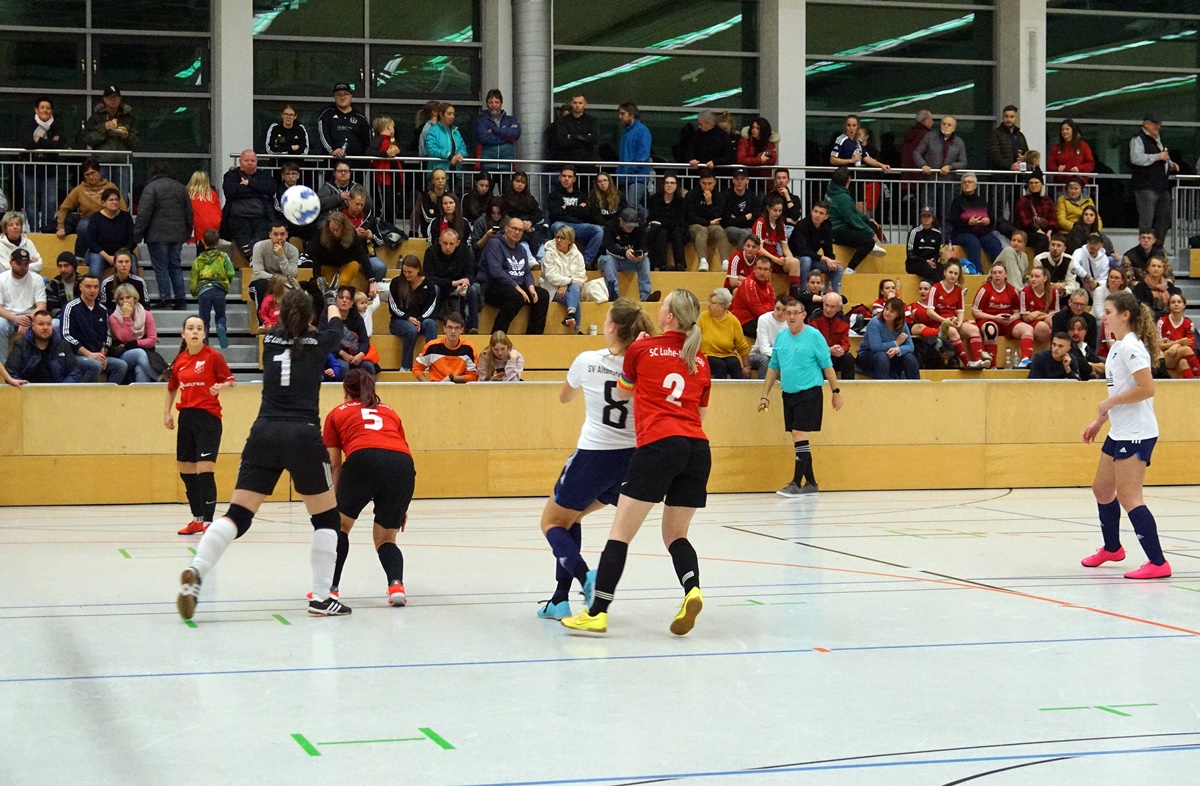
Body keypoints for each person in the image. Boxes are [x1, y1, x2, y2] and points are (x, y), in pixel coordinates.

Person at [177, 281, 354, 619]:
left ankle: (198, 569)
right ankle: (320, 596)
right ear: (309, 317)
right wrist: (329, 297)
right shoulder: (317, 343)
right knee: (327, 519)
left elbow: (300, 326)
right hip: (302, 436)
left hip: (264, 433)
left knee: (238, 516)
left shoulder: (270, 340)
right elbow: (337, 326)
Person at [560, 290, 712, 635]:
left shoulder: (642, 349)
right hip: (698, 450)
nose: (658, 310)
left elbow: (624, 390)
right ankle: (692, 590)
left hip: (659, 446)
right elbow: (700, 412)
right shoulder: (700, 359)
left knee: (620, 534)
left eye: (663, 305)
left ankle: (597, 611)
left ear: (670, 317)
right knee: (676, 534)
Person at [536, 300, 655, 619]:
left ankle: (585, 576)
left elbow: (564, 397)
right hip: (632, 461)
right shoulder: (644, 364)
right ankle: (559, 600)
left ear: (613, 327)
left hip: (594, 454)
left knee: (551, 522)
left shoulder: (587, 360)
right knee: (571, 517)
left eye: (605, 319)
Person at [1079, 291, 1169, 579]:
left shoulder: (1132, 348)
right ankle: (1112, 548)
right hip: (1120, 431)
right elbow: (1118, 391)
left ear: (1124, 315)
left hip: (1137, 433)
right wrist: (1100, 420)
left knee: (1130, 496)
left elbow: (1147, 388)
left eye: (1108, 312)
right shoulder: (1117, 347)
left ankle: (1158, 563)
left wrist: (1110, 404)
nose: (1103, 317)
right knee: (1102, 490)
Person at [321, 368, 416, 606]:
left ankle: (330, 590)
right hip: (402, 467)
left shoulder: (336, 414)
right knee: (386, 538)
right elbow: (399, 452)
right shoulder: (390, 412)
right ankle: (396, 586)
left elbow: (334, 464)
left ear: (345, 391)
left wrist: (334, 499)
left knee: (340, 527)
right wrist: (401, 504)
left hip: (363, 459)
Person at [759, 298, 844, 497]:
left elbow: (827, 366)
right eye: (788, 313)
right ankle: (812, 482)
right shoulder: (781, 337)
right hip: (788, 393)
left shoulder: (815, 336)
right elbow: (773, 368)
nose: (791, 317)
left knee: (799, 434)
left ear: (804, 314)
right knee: (798, 439)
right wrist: (765, 395)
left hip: (810, 392)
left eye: (795, 313)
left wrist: (836, 392)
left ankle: (796, 482)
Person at [166, 315, 235, 535]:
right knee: (186, 469)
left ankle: (208, 521)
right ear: (183, 334)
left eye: (199, 328)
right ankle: (196, 518)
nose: (195, 332)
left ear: (205, 333)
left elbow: (231, 382)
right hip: (186, 417)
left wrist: (219, 388)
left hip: (208, 417)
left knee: (205, 468)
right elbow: (171, 388)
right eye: (190, 328)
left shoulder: (213, 356)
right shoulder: (180, 360)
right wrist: (166, 413)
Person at [134, 161, 193, 310]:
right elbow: (189, 213)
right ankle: (180, 300)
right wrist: (187, 232)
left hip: (157, 235)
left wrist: (137, 235)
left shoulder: (151, 188)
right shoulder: (181, 187)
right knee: (175, 266)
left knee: (161, 267)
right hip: (177, 234)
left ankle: (165, 298)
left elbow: (143, 214)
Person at [479, 218, 549, 335]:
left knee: (542, 295)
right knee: (517, 297)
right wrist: (517, 287)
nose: (517, 232)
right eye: (514, 229)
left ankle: (533, 336)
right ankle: (498, 335)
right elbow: (496, 271)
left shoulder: (521, 249)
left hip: (516, 287)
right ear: (506, 229)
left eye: (520, 230)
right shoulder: (494, 244)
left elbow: (526, 271)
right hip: (493, 287)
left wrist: (531, 286)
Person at [62, 273, 128, 383]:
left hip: (97, 355)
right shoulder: (71, 307)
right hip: (76, 356)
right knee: (95, 365)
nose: (92, 290)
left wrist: (103, 352)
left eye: (96, 287)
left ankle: (106, 397)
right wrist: (88, 354)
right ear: (81, 287)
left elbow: (108, 336)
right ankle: (88, 398)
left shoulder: (103, 309)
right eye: (88, 286)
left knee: (121, 366)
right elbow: (66, 336)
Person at [56, 158, 126, 258]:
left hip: (108, 220)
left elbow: (122, 207)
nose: (91, 177)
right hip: (87, 220)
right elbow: (63, 208)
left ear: (99, 172)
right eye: (87, 175)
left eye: (93, 173)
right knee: (83, 226)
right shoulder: (79, 189)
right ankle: (79, 257)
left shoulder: (110, 186)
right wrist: (60, 227)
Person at [1128, 113, 1178, 248]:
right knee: (1147, 220)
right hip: (1145, 185)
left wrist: (1170, 163)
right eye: (1155, 124)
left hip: (1161, 186)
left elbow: (1163, 156)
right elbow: (1136, 158)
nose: (1158, 127)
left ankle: (1158, 247)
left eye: (1159, 124)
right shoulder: (1138, 139)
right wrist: (1157, 157)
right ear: (1146, 124)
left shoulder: (1158, 139)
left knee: (1165, 217)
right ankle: (1146, 248)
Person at [18, 96, 66, 232]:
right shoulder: (28, 123)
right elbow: (26, 143)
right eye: (42, 107)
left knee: (50, 202)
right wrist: (51, 142)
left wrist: (38, 140)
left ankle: (46, 229)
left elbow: (60, 144)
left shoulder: (57, 124)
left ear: (52, 111)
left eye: (48, 108)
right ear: (36, 110)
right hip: (29, 170)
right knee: (31, 202)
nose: (45, 110)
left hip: (50, 170)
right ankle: (34, 230)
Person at [926, 260, 986, 368]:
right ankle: (967, 362)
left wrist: (959, 322)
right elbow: (930, 312)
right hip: (939, 323)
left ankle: (978, 361)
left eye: (956, 273)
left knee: (974, 329)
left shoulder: (958, 291)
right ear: (944, 272)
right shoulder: (935, 288)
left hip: (953, 321)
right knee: (952, 331)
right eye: (950, 272)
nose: (953, 276)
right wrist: (944, 321)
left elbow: (960, 311)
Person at [971, 263, 1032, 368]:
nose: (997, 275)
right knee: (990, 329)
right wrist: (994, 318)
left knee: (1028, 329)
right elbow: (975, 312)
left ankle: (1026, 360)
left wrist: (1013, 318)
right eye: (994, 273)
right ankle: (992, 365)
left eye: (1000, 273)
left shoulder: (1012, 290)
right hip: (989, 319)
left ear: (1006, 274)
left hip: (1007, 322)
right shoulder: (985, 289)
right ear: (991, 275)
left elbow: (1018, 312)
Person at [305, 210, 377, 299]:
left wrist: (372, 280)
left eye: (337, 229)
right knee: (328, 289)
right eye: (332, 229)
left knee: (342, 283)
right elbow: (316, 255)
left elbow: (362, 255)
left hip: (348, 263)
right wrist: (318, 277)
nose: (335, 232)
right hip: (327, 264)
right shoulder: (321, 234)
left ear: (344, 227)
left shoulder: (351, 233)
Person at [825, 167, 885, 272]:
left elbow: (853, 211)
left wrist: (867, 219)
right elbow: (852, 219)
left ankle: (870, 246)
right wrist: (871, 234)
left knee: (871, 225)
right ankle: (850, 268)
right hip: (838, 231)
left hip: (835, 227)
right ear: (848, 180)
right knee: (868, 241)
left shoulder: (831, 190)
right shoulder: (843, 198)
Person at [388, 255, 440, 373]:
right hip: (399, 321)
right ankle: (406, 367)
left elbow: (432, 307)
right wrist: (407, 318)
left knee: (431, 324)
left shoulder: (429, 284)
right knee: (410, 330)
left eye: (410, 272)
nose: (406, 275)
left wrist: (420, 320)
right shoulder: (396, 282)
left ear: (418, 269)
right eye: (404, 271)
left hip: (420, 320)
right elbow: (393, 307)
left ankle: (430, 363)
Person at [424, 228, 480, 333]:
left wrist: (466, 281)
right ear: (440, 241)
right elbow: (429, 278)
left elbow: (471, 273)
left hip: (459, 285)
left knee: (472, 289)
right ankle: (431, 323)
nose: (448, 247)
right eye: (445, 243)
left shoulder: (465, 251)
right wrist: (452, 283)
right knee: (433, 288)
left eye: (451, 244)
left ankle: (473, 327)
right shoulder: (431, 252)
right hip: (440, 286)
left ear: (457, 243)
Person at [222, 150, 275, 258]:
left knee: (263, 233)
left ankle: (253, 257)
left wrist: (249, 184)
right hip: (237, 216)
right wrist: (258, 191)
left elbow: (271, 189)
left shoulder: (264, 175)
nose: (250, 163)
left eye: (253, 160)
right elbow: (231, 191)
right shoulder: (231, 176)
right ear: (240, 162)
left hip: (261, 216)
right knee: (241, 233)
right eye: (246, 160)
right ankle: (253, 257)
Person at [83, 85, 136, 193]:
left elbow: (138, 141)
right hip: (102, 164)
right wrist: (104, 129)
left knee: (122, 196)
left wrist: (126, 136)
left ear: (120, 99)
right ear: (104, 99)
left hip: (122, 163)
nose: (113, 100)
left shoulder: (129, 118)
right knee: (101, 196)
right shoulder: (96, 117)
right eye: (110, 97)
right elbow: (88, 139)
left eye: (116, 97)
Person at [546, 166, 603, 265]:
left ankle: (586, 261)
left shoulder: (582, 195)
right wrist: (578, 210)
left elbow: (587, 214)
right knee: (556, 226)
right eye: (564, 176)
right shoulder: (554, 196)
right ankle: (561, 261)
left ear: (574, 179)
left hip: (579, 226)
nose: (566, 179)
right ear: (560, 178)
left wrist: (566, 208)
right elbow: (555, 214)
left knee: (598, 230)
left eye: (569, 176)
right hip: (562, 225)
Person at [946, 172, 1002, 275]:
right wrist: (968, 222)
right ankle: (977, 272)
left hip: (982, 232)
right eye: (965, 182)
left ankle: (998, 271)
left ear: (975, 185)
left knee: (994, 243)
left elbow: (993, 219)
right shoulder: (957, 202)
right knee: (973, 242)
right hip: (961, 233)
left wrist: (988, 221)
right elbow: (953, 221)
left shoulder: (982, 201)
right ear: (962, 185)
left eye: (970, 182)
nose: (967, 184)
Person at [598, 208, 658, 303]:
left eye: (632, 225)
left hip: (630, 261)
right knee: (609, 260)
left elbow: (644, 246)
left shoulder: (640, 228)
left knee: (645, 261)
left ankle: (646, 296)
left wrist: (641, 254)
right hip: (608, 259)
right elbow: (608, 248)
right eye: (627, 225)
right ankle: (614, 293)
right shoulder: (610, 226)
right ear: (621, 220)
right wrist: (624, 253)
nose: (630, 227)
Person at [5, 309, 78, 384]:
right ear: (33, 326)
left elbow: (75, 372)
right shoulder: (21, 345)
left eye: (49, 324)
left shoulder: (63, 344)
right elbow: (11, 373)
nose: (45, 328)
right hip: (28, 391)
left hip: (57, 391)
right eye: (41, 324)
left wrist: (61, 389)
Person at [0, 248, 46, 366]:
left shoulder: (37, 279)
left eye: (26, 264)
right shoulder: (2, 278)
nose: (23, 267)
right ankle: (4, 366)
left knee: (53, 324)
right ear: (11, 263)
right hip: (8, 318)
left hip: (31, 317)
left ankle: (43, 365)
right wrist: (16, 319)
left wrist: (27, 320)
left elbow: (41, 306)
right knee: (0, 324)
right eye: (19, 263)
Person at [190, 230, 235, 349]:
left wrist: (195, 293)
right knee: (220, 314)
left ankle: (204, 343)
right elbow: (230, 272)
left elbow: (194, 278)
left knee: (204, 319)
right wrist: (226, 285)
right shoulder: (223, 257)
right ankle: (220, 326)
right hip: (219, 290)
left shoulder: (199, 260)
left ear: (203, 242)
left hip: (204, 291)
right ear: (218, 242)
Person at [857, 297, 918, 380]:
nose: (887, 313)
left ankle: (915, 387)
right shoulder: (875, 322)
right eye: (886, 309)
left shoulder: (902, 325)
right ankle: (882, 389)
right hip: (867, 356)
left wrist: (897, 349)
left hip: (890, 357)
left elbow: (910, 346)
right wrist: (896, 343)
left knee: (909, 357)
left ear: (898, 314)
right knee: (882, 356)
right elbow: (876, 347)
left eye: (892, 311)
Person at [107, 284, 159, 383]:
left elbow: (152, 340)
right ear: (118, 301)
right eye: (121, 299)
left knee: (140, 369)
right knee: (139, 353)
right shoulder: (113, 318)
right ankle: (164, 381)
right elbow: (126, 338)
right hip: (122, 354)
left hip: (145, 353)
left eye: (128, 297)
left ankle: (142, 396)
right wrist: (126, 316)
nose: (125, 301)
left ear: (135, 298)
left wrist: (136, 343)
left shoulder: (146, 314)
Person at [790, 201, 842, 294]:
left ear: (826, 217)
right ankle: (803, 293)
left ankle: (834, 297)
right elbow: (802, 250)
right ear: (811, 212)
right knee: (806, 260)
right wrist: (824, 258)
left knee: (838, 268)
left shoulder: (827, 228)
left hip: (813, 259)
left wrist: (832, 262)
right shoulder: (802, 225)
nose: (817, 215)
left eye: (821, 213)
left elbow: (828, 250)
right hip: (796, 258)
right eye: (815, 211)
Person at [541, 225, 587, 331]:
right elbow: (551, 276)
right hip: (552, 289)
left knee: (575, 288)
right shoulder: (549, 254)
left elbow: (581, 275)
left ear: (570, 241)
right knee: (575, 294)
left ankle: (570, 314)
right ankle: (578, 329)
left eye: (562, 238)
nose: (558, 240)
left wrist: (567, 285)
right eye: (557, 237)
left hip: (570, 289)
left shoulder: (578, 255)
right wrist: (568, 282)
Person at [749, 194, 800, 289]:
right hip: (762, 257)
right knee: (766, 264)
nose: (777, 213)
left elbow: (785, 248)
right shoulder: (761, 223)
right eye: (775, 210)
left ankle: (793, 296)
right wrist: (775, 259)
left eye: (780, 211)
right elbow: (759, 249)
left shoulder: (781, 225)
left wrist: (789, 259)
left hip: (775, 256)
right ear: (768, 209)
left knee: (795, 262)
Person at [698, 287, 750, 379]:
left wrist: (746, 366)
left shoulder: (733, 321)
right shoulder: (702, 317)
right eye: (709, 301)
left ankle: (739, 392)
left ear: (722, 306)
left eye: (713, 303)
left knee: (734, 363)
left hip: (728, 354)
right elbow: (694, 338)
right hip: (707, 355)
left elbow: (741, 345)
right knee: (720, 365)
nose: (709, 305)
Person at [323, 285, 374, 377]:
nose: (344, 300)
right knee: (343, 367)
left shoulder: (357, 318)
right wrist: (342, 353)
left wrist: (361, 354)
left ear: (352, 303)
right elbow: (324, 339)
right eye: (341, 297)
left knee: (368, 366)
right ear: (335, 300)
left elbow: (364, 340)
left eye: (348, 298)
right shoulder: (326, 316)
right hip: (334, 355)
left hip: (354, 354)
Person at [249, 221, 300, 312]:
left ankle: (291, 322)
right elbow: (258, 272)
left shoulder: (293, 250)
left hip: (284, 284)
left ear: (287, 235)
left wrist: (282, 256)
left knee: (298, 286)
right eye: (275, 234)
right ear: (270, 235)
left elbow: (292, 274)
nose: (279, 238)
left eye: (282, 234)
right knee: (261, 284)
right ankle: (263, 322)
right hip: (264, 283)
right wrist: (280, 279)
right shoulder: (259, 247)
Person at [83, 187, 135, 275]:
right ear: (103, 203)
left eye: (116, 200)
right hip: (100, 254)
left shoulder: (126, 217)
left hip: (122, 253)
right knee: (96, 261)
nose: (114, 202)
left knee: (131, 260)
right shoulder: (96, 218)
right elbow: (91, 242)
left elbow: (132, 240)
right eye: (111, 200)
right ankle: (94, 287)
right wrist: (108, 257)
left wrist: (119, 256)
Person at [414, 311, 477, 383]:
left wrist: (452, 378)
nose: (453, 331)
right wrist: (428, 384)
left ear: (461, 330)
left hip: (459, 389)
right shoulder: (432, 347)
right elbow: (417, 368)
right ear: (444, 329)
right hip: (436, 389)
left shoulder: (468, 348)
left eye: (456, 328)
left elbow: (473, 376)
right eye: (450, 327)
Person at [685, 169, 727, 272]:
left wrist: (709, 203)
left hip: (711, 225)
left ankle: (726, 262)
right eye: (704, 183)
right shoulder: (691, 195)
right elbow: (691, 217)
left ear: (715, 182)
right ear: (700, 182)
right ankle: (703, 261)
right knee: (701, 230)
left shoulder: (719, 196)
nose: (707, 187)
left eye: (710, 183)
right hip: (694, 226)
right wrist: (708, 222)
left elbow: (718, 216)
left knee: (719, 230)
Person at [475, 89, 521, 181]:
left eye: (497, 102)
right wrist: (507, 138)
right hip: (487, 165)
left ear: (501, 103)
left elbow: (515, 134)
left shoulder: (511, 120)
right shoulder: (481, 120)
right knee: (485, 195)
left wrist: (494, 130)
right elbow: (483, 138)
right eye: (490, 102)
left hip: (507, 165)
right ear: (487, 104)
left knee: (507, 195)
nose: (494, 105)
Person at [809, 292, 856, 380]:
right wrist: (828, 350)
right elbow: (811, 344)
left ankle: (849, 387)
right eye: (826, 305)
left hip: (836, 356)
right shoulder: (813, 319)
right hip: (819, 356)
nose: (828, 309)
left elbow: (845, 342)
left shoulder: (844, 321)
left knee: (848, 358)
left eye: (832, 307)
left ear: (838, 308)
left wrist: (841, 349)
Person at [646, 174, 688, 271]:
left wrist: (662, 222)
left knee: (677, 233)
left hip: (676, 228)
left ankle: (680, 264)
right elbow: (652, 218)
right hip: (660, 230)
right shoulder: (655, 199)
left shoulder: (681, 201)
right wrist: (664, 223)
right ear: (663, 185)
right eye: (667, 183)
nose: (669, 185)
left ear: (677, 185)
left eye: (672, 183)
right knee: (662, 233)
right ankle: (661, 265)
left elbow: (680, 220)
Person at [318, 83, 371, 159]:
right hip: (332, 163)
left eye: (345, 94)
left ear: (351, 97)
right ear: (334, 97)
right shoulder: (327, 114)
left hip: (356, 164)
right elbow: (323, 135)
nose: (342, 97)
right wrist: (332, 150)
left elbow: (367, 143)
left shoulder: (360, 118)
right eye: (339, 95)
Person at [615, 102, 651, 213]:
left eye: (622, 113)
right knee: (628, 205)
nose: (620, 116)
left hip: (637, 175)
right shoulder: (627, 132)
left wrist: (630, 169)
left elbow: (643, 154)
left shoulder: (642, 131)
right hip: (628, 175)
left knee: (632, 204)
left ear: (631, 114)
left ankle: (648, 219)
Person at [730, 257, 776, 340]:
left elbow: (773, 306)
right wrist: (767, 306)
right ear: (754, 269)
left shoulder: (768, 286)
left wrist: (765, 306)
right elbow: (758, 311)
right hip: (745, 322)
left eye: (765, 269)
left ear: (770, 271)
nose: (762, 272)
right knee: (774, 330)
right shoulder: (749, 284)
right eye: (759, 268)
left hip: (759, 319)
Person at [500, 171, 546, 251]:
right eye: (517, 181)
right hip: (514, 228)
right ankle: (531, 261)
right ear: (512, 182)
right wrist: (520, 224)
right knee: (524, 243)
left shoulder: (529, 198)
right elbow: (504, 216)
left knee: (539, 242)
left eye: (523, 182)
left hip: (529, 227)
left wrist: (530, 222)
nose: (520, 184)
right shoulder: (504, 198)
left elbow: (538, 213)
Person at [719, 168, 762, 251]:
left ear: (747, 180)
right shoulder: (725, 196)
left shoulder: (752, 196)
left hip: (747, 227)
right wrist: (746, 217)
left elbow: (756, 217)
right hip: (729, 229)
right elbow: (726, 221)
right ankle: (741, 260)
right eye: (737, 179)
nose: (739, 182)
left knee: (755, 234)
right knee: (745, 234)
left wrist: (736, 219)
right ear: (733, 180)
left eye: (742, 179)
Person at [1014, 171, 1056, 255]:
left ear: (1042, 184)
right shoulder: (1023, 200)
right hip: (1029, 231)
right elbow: (1024, 221)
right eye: (1031, 183)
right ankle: (1038, 264)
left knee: (1059, 239)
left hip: (1047, 231)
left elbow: (1053, 218)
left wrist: (1050, 231)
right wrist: (1037, 230)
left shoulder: (1048, 200)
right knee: (1042, 240)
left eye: (1036, 183)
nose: (1034, 185)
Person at [1018, 264, 1058, 352]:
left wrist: (1038, 313)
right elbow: (1027, 318)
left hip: (1044, 319)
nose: (1033, 279)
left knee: (1053, 320)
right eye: (1032, 276)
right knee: (1043, 327)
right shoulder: (1024, 292)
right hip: (1031, 323)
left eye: (1037, 276)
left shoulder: (1053, 292)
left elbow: (1055, 314)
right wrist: (1045, 315)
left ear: (1045, 278)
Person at [1157, 293, 1198, 378]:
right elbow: (1159, 345)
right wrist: (1180, 342)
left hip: (1180, 357)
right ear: (1169, 306)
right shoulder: (1162, 322)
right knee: (1185, 349)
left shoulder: (1188, 323)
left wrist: (1176, 345)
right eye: (1173, 302)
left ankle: (1193, 388)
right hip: (1165, 357)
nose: (1176, 304)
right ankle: (1199, 375)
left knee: (1183, 363)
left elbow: (1192, 344)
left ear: (1184, 305)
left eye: (1179, 302)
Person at [749, 294, 789, 379]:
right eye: (777, 309)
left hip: (780, 355)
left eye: (784, 310)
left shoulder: (790, 322)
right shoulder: (764, 319)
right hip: (757, 355)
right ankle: (763, 388)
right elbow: (763, 349)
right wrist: (782, 354)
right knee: (765, 359)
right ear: (774, 306)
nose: (780, 313)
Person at [1132, 253, 1179, 322]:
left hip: (1169, 320)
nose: (1156, 269)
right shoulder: (1140, 287)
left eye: (1159, 266)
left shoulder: (1169, 286)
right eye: (1153, 266)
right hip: (1148, 321)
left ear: (1163, 270)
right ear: (1148, 268)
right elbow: (1142, 310)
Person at [555, 93, 600, 165]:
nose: (577, 105)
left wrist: (572, 136)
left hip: (588, 163)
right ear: (571, 104)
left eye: (580, 103)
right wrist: (586, 138)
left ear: (585, 104)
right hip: (569, 162)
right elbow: (563, 142)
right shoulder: (563, 121)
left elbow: (594, 139)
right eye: (575, 103)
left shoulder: (592, 121)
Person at [424, 102, 467, 173]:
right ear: (441, 114)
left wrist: (460, 154)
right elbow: (431, 149)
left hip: (456, 172)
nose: (452, 116)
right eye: (449, 114)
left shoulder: (456, 131)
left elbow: (463, 148)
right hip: (438, 174)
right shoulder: (433, 130)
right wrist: (448, 155)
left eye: (453, 114)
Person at [904, 206, 943, 283]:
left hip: (930, 263)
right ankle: (940, 291)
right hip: (915, 263)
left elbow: (936, 252)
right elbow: (910, 254)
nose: (926, 218)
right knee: (931, 271)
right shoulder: (914, 232)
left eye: (928, 216)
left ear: (933, 218)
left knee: (944, 269)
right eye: (924, 216)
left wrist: (933, 261)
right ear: (920, 218)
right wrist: (925, 261)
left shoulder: (937, 234)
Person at [1048, 119, 1094, 184]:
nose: (1064, 131)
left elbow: (1090, 164)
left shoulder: (1083, 146)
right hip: (1061, 185)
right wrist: (1057, 169)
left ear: (1073, 130)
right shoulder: (1055, 148)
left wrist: (1079, 169)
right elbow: (1050, 165)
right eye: (1062, 129)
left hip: (1079, 185)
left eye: (1067, 129)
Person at [187, 170, 222, 255]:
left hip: (199, 224)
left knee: (201, 251)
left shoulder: (190, 195)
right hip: (214, 223)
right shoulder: (212, 194)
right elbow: (218, 210)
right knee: (212, 250)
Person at [987, 104, 1029, 173]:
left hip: (1019, 175)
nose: (1009, 119)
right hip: (1001, 176)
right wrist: (1010, 166)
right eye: (1006, 117)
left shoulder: (1020, 135)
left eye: (1012, 117)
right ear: (1002, 117)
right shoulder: (996, 134)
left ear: (1016, 118)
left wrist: (1024, 158)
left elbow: (1026, 152)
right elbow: (995, 155)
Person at [735, 117, 778, 181]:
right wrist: (759, 160)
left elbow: (773, 159)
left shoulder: (770, 142)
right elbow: (741, 158)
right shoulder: (745, 140)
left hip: (764, 177)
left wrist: (757, 161)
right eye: (753, 127)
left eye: (758, 128)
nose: (754, 130)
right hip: (747, 175)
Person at [45, 252, 80, 322]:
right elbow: (52, 309)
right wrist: (68, 317)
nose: (63, 269)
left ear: (74, 266)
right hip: (62, 319)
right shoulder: (52, 285)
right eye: (60, 266)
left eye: (66, 266)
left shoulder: (83, 283)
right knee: (54, 323)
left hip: (81, 319)